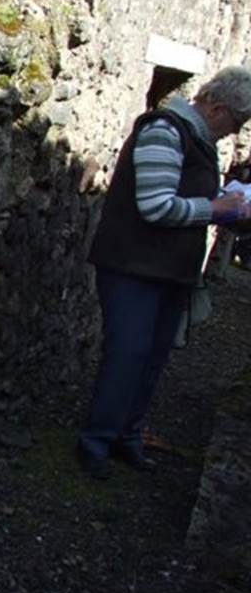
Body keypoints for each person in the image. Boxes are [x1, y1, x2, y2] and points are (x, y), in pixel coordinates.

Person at [80, 65, 251, 480]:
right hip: (133, 266)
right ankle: (95, 443)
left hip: (165, 269)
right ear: (216, 107)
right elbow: (156, 205)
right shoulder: (165, 131)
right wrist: (216, 208)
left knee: (151, 358)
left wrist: (224, 207)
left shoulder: (196, 139)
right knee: (127, 355)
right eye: (236, 121)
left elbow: (181, 195)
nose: (235, 132)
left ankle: (126, 436)